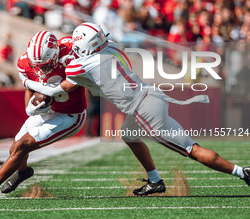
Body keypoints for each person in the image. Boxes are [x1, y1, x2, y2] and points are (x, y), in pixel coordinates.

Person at [20, 22, 250, 192]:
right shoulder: (112, 47)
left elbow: (55, 89)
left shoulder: (81, 66)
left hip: (143, 108)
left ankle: (242, 172)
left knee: (192, 150)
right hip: (149, 96)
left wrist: (28, 81)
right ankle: (155, 181)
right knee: (129, 136)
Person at [0, 31, 164, 200]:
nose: (41, 69)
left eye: (46, 64)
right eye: (38, 65)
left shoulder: (73, 54)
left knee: (23, 145)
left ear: (57, 53)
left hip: (70, 115)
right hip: (47, 110)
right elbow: (27, 83)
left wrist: (47, 94)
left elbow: (68, 85)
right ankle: (23, 172)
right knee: (14, 148)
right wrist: (30, 107)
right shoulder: (27, 62)